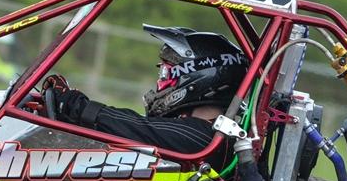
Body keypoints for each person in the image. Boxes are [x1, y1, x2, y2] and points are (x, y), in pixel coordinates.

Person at [44, 24, 249, 170]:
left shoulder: (201, 136)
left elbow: (135, 126)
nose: (159, 83)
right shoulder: (206, 134)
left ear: (196, 80)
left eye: (166, 74)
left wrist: (75, 106)